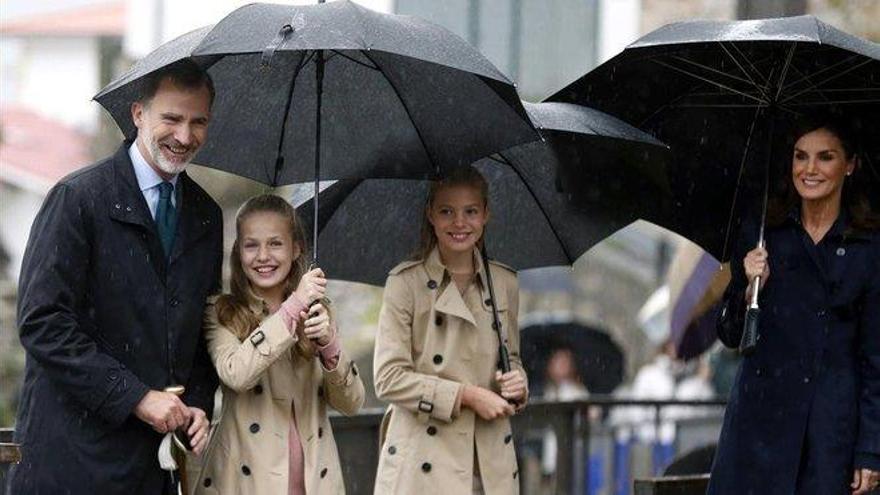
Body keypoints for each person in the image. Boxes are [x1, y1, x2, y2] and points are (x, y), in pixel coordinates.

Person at [8, 58, 222, 494]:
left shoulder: (206, 216)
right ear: (138, 114)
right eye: (172, 118)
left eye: (198, 122)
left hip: (151, 468)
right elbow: (43, 323)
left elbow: (201, 329)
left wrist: (197, 405)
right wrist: (138, 398)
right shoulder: (76, 199)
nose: (184, 136)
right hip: (70, 463)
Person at [709, 115, 880, 495]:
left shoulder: (868, 248)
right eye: (801, 157)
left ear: (850, 165)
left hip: (829, 428)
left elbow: (875, 358)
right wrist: (749, 285)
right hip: (759, 423)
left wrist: (870, 449)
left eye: (825, 157)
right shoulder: (764, 232)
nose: (810, 169)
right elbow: (730, 333)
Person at [373, 166, 529, 495]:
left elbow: (509, 357)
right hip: (422, 459)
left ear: (486, 214)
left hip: (488, 462)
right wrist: (467, 396)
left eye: (470, 211)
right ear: (430, 214)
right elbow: (388, 379)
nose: (460, 223)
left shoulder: (504, 282)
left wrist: (518, 383)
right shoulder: (405, 283)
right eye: (447, 211)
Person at [195, 194, 364, 494]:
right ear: (238, 252)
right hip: (243, 481)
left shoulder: (319, 310)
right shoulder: (220, 310)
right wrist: (292, 306)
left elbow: (351, 404)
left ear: (296, 248)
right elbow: (236, 374)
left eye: (275, 243)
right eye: (251, 244)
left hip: (315, 480)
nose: (263, 256)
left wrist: (329, 345)